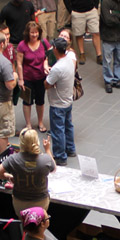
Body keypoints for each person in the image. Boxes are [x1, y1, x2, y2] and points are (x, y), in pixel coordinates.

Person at [0, 127, 56, 216]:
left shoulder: (13, 159)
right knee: (38, 224)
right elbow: (53, 169)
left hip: (20, 203)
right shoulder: (46, 159)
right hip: (40, 202)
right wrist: (47, 149)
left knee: (23, 223)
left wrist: (8, 176)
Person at [44, 37, 78, 165]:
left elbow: (46, 84)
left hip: (57, 103)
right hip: (68, 100)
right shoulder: (70, 60)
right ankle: (70, 149)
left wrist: (48, 72)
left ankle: (60, 156)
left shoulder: (57, 68)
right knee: (68, 126)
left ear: (56, 49)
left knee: (58, 130)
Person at [15, 20, 50, 131]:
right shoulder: (22, 45)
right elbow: (19, 63)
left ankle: (40, 122)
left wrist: (46, 65)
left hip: (41, 77)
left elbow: (48, 56)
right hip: (27, 78)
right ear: (27, 33)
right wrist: (21, 79)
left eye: (36, 32)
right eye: (32, 32)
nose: (34, 35)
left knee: (40, 101)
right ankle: (28, 124)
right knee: (27, 101)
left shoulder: (44, 43)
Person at [63, 0, 100, 65]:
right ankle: (82, 53)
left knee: (96, 32)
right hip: (77, 12)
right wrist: (71, 11)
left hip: (91, 10)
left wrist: (95, 6)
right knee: (79, 34)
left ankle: (99, 54)